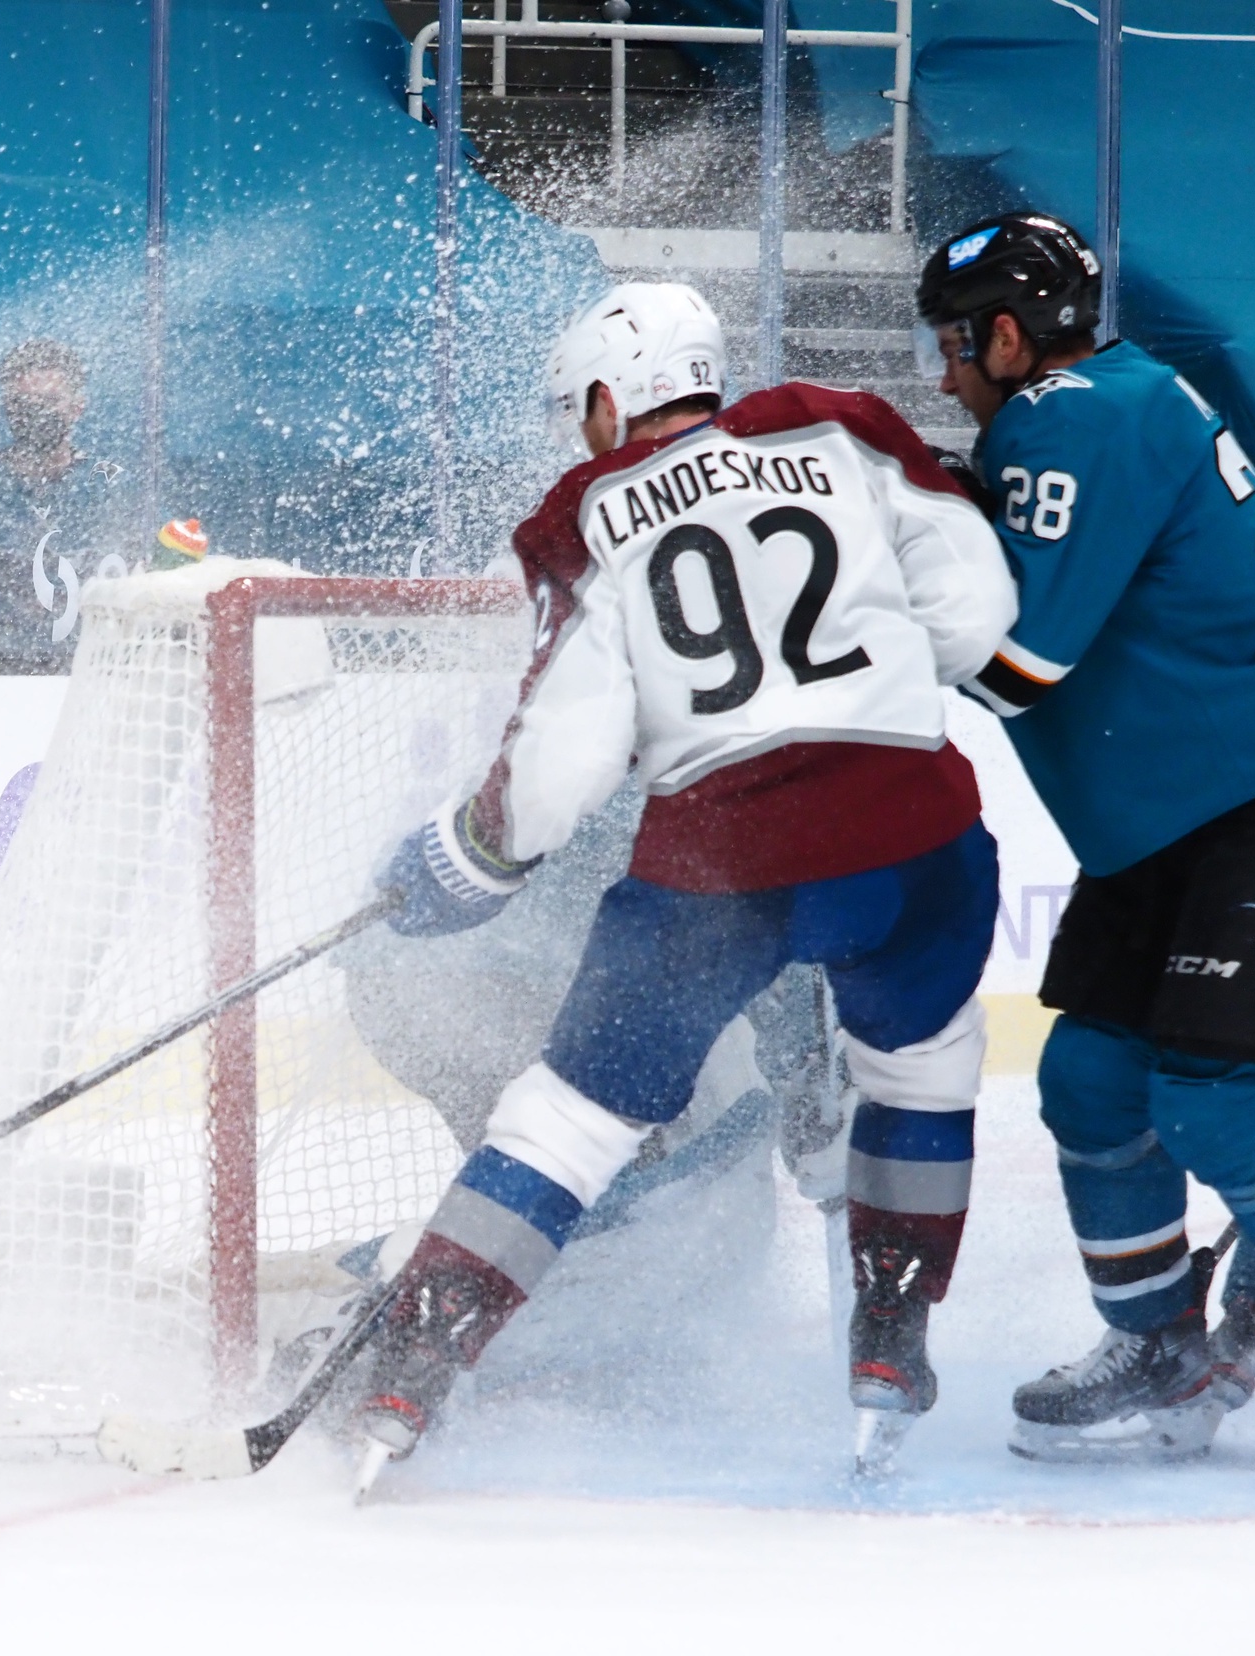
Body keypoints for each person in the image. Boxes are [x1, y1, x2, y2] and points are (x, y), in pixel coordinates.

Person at [347, 282, 1017, 1477]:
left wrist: (469, 861)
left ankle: (414, 1369)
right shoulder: (839, 423)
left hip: (724, 865)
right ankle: (888, 1344)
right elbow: (973, 614)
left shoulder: (586, 514)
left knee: (569, 1117)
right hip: (913, 837)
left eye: (581, 414)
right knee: (921, 1065)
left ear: (611, 399)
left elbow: (559, 764)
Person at [919, 213, 1255, 1462]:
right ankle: (1160, 1341)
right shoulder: (1104, 401)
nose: (944, 373)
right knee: (1091, 1083)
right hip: (1181, 808)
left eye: (954, 344)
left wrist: (844, 615)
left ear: (1009, 335)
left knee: (1211, 1100)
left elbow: (1016, 668)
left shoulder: (1073, 417)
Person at [0, 337, 139, 657]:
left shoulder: (111, 487)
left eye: (50, 400)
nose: (37, 412)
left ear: (78, 407)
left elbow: (149, 577)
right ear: (7, 408)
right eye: (24, 402)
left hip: (90, 667)